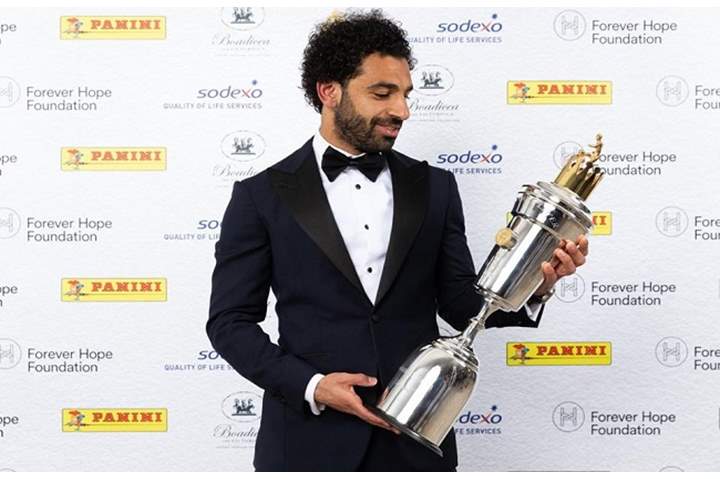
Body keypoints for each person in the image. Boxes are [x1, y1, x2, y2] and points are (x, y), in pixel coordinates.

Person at [206, 9, 589, 472]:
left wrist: (537, 283)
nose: (402, 111)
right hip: (307, 445)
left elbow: (461, 304)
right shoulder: (260, 196)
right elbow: (229, 323)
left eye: (405, 95)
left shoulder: (435, 187)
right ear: (329, 91)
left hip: (416, 441)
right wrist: (312, 386)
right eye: (382, 93)